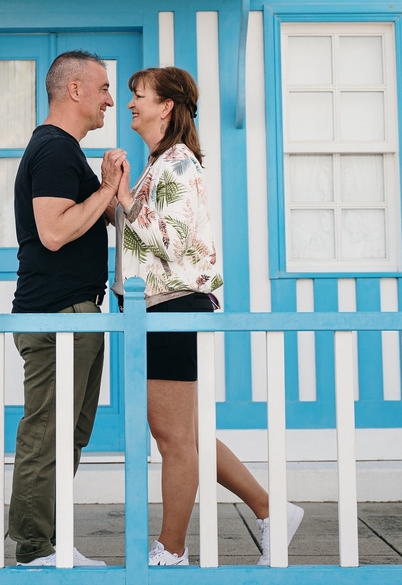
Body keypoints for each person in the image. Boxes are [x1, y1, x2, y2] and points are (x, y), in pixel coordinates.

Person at [112, 66, 304, 566]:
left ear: (166, 106)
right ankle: (269, 509)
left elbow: (171, 244)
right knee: (188, 432)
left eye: (139, 96)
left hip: (172, 306)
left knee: (173, 437)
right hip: (164, 306)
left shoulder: (175, 164)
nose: (130, 103)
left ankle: (171, 550)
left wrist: (124, 197)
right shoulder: (165, 161)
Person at [8, 50, 126, 567]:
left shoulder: (67, 151)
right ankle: (35, 550)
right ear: (74, 90)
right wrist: (104, 190)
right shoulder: (54, 149)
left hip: (76, 313)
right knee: (47, 432)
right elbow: (54, 232)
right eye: (102, 88)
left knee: (69, 434)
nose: (109, 99)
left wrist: (106, 190)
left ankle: (50, 545)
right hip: (58, 315)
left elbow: (94, 218)